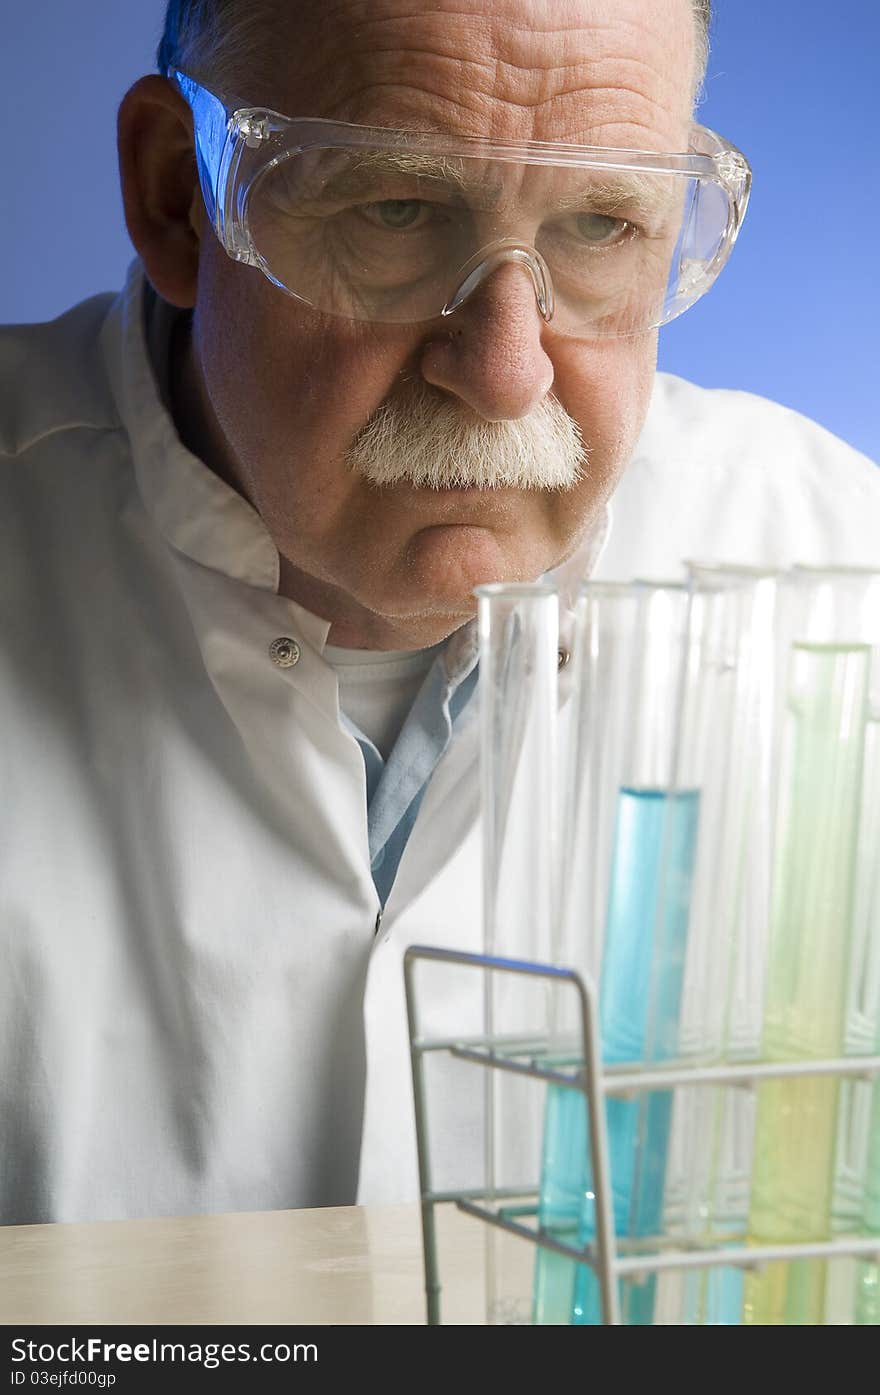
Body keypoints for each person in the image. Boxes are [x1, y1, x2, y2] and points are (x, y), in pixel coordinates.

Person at [1, 0, 878, 1228]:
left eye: (600, 224)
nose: (506, 367)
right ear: (177, 196)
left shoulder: (845, 572)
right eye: (395, 211)